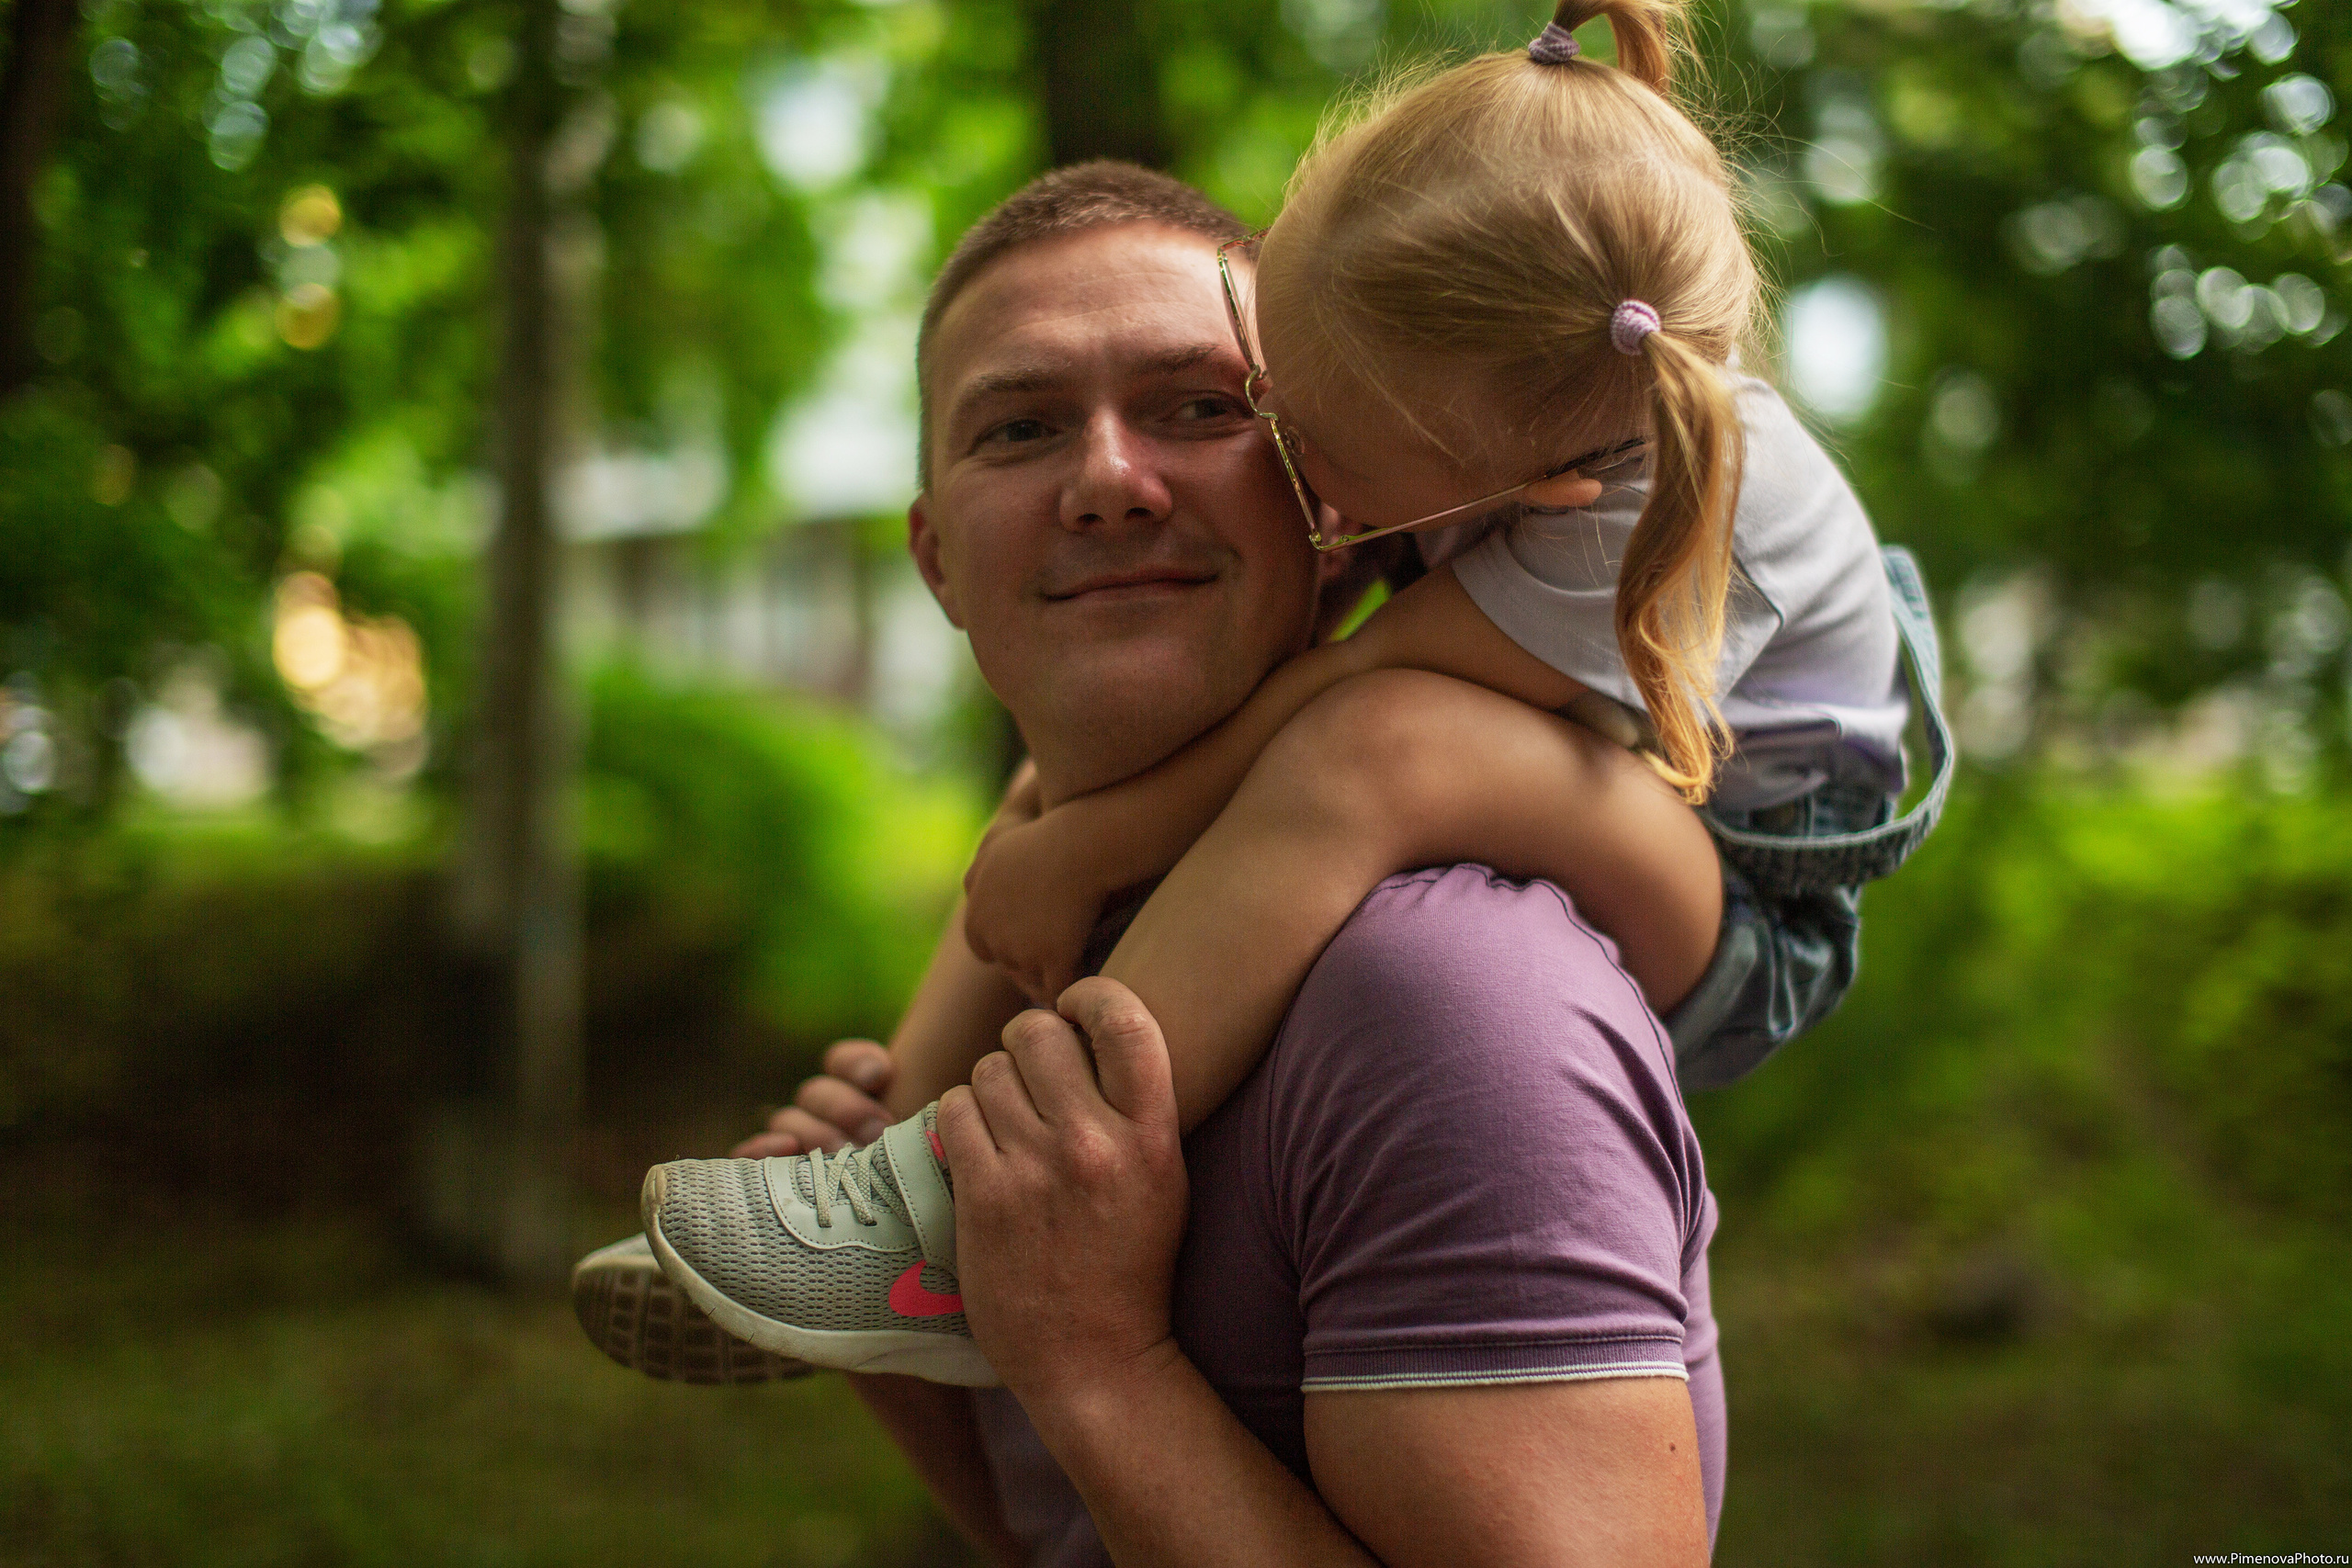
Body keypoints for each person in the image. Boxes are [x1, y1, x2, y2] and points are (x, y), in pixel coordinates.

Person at [639, 0, 1948, 1390]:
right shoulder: (1513, 394)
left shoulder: (1630, 517)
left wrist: (1086, 848)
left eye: (1283, 431)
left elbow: (1359, 681)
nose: (1295, 476)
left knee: (1373, 746)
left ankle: (962, 1213)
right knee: (1078, 792)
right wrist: (1066, 829)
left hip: (1755, 889)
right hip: (1641, 768)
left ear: (1525, 485)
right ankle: (875, 1180)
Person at [626, 146, 1738, 1557]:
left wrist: (1102, 1366)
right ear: (934, 563)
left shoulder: (1445, 1006)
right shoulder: (1059, 973)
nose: (1108, 480)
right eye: (1020, 430)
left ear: (1335, 513)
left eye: (1202, 409)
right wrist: (931, 1350)